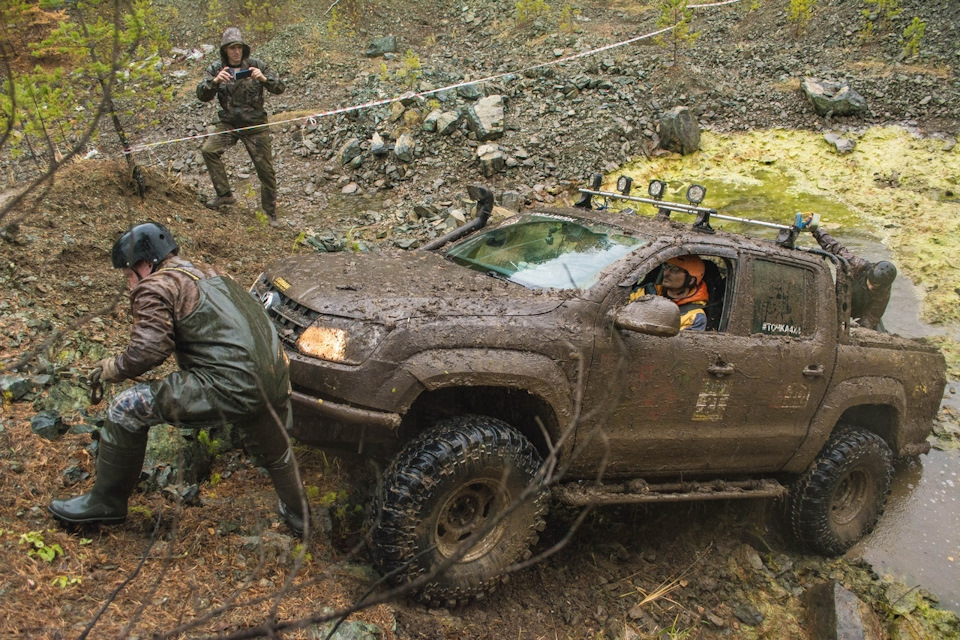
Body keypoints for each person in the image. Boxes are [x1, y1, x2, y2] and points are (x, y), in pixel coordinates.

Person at [49, 222, 309, 536]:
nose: (130, 284)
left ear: (145, 264)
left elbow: (148, 350)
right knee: (276, 450)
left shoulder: (157, 285)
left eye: (129, 274)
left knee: (126, 408)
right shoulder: (210, 273)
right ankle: (300, 519)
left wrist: (111, 368)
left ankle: (106, 502)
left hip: (227, 384)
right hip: (274, 379)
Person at [197, 27, 284, 223]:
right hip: (228, 123)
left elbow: (280, 87)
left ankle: (269, 214)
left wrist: (263, 79)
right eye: (231, 48)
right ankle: (224, 194)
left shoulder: (256, 65)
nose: (236, 51)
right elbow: (201, 94)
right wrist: (215, 82)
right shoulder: (216, 68)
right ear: (225, 50)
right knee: (209, 150)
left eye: (239, 47)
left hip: (255, 124)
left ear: (244, 49)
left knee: (266, 171)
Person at [808, 220, 897, 331]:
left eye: (875, 287)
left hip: (862, 310)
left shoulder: (883, 292)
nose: (871, 288)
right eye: (871, 283)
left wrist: (861, 330)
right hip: (841, 299)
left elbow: (871, 316)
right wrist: (816, 230)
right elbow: (835, 248)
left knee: (878, 332)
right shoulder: (856, 265)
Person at [631, 255, 709, 331]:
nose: (666, 273)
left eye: (674, 269)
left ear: (691, 280)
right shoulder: (647, 291)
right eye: (667, 266)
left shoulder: (695, 316)